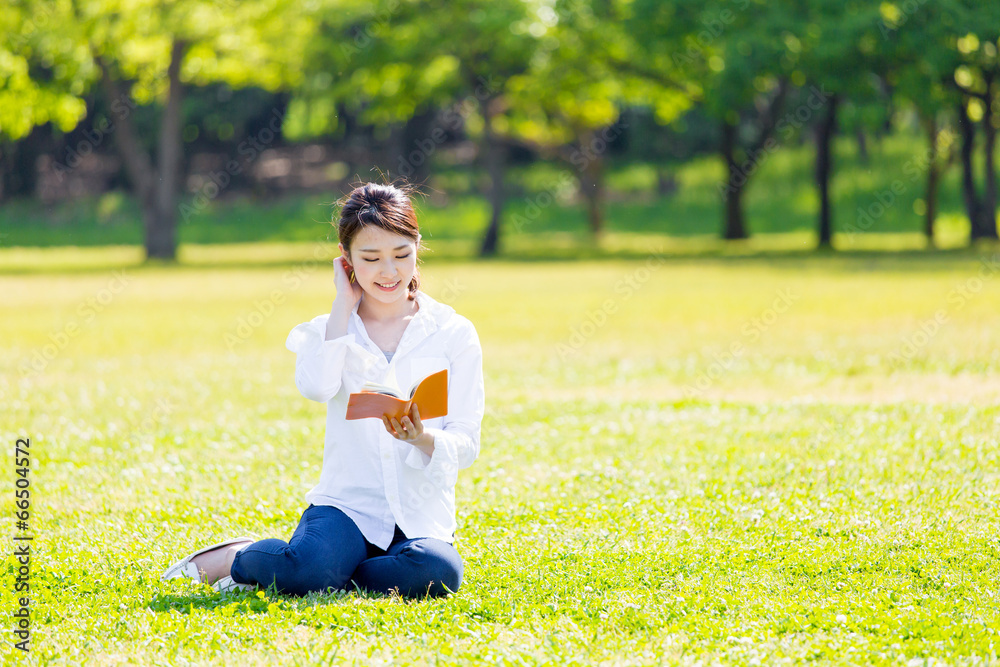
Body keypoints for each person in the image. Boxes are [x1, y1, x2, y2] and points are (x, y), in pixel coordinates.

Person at [161, 181, 486, 598]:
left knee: (436, 573)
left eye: (401, 255)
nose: (389, 272)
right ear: (347, 259)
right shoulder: (330, 329)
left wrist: (422, 437)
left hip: (419, 516)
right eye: (370, 259)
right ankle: (235, 557)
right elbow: (316, 387)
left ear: (417, 247)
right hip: (346, 508)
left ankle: (335, 574)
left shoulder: (452, 332)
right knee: (307, 570)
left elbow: (467, 440)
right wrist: (341, 306)